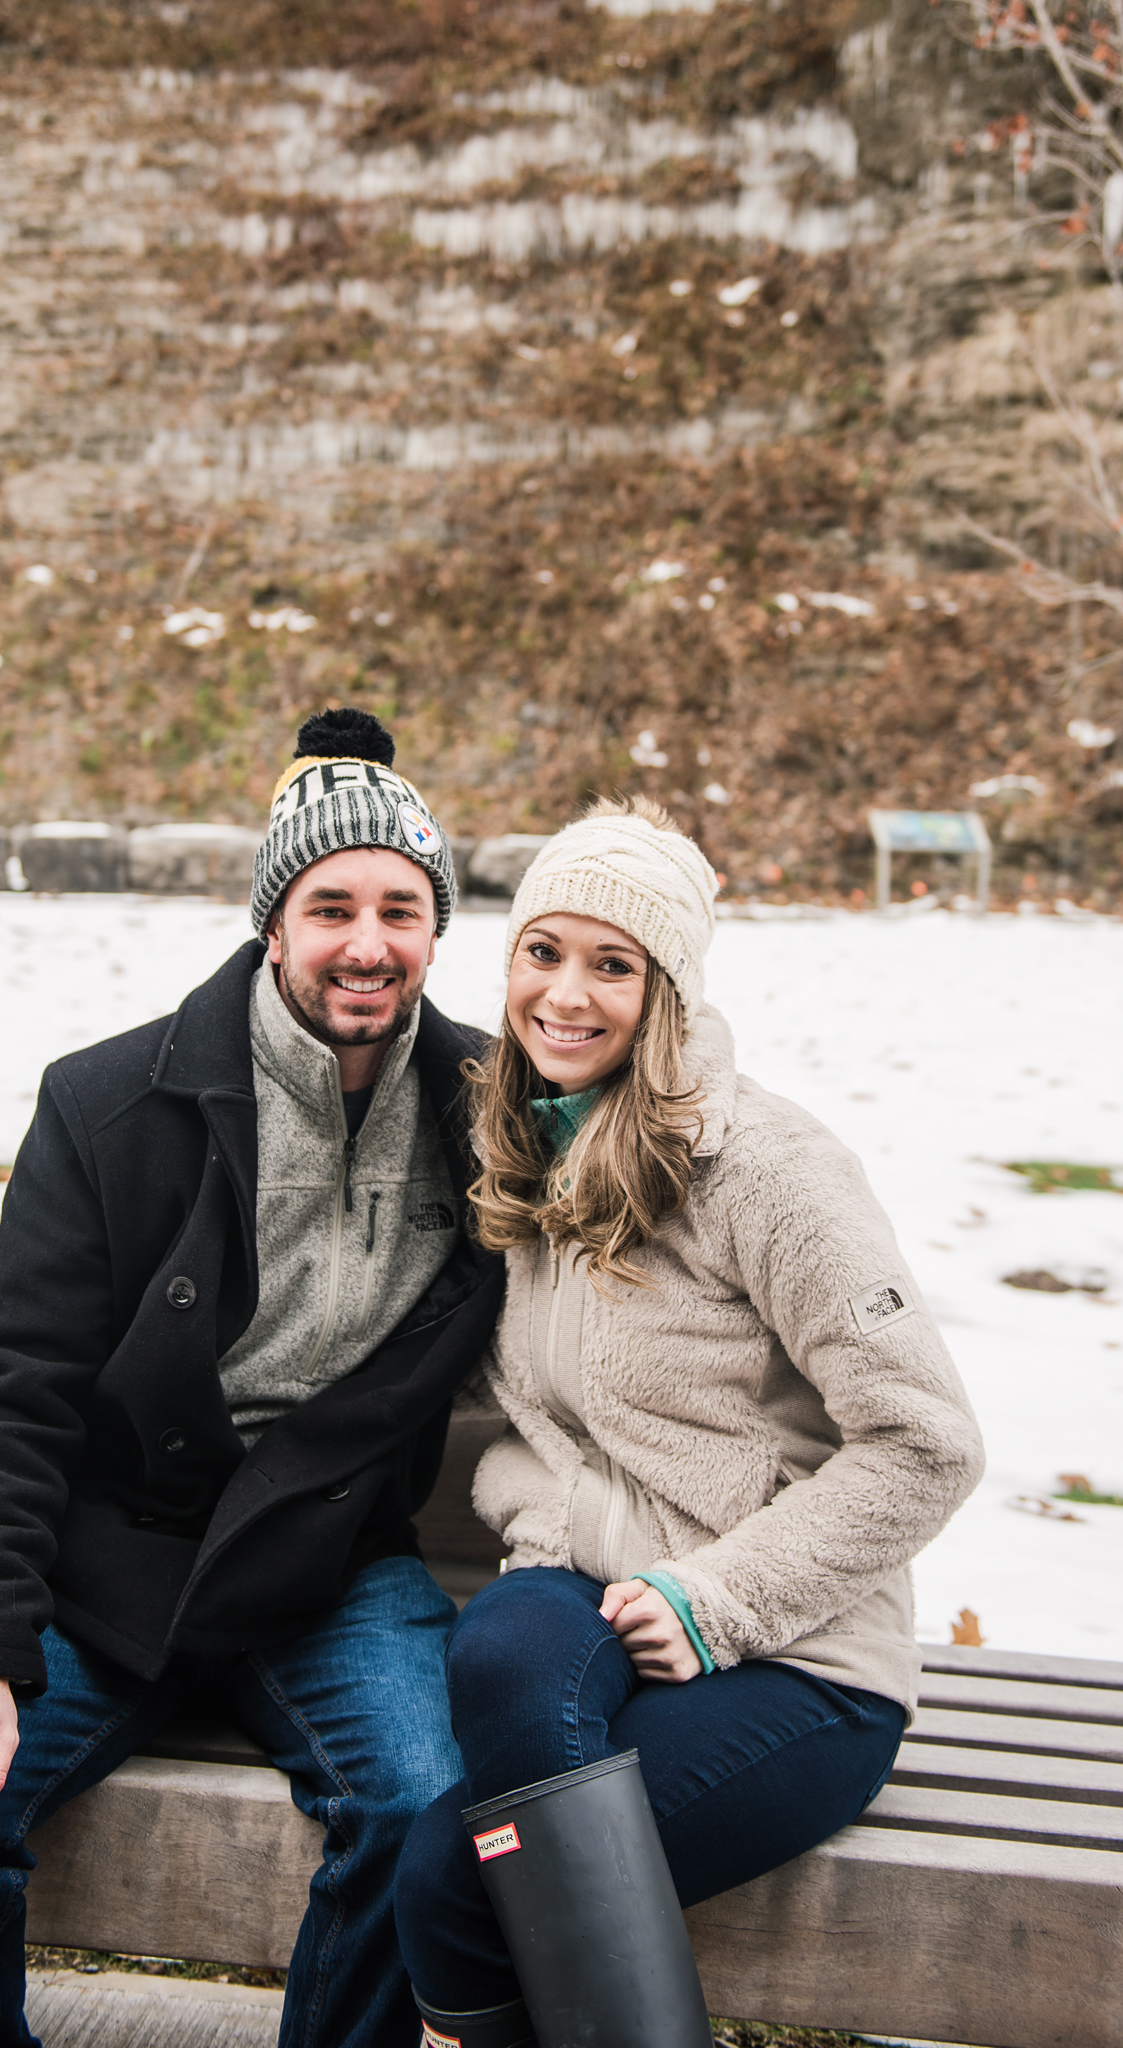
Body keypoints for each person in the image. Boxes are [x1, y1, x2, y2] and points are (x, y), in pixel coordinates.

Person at [0, 707, 504, 2048]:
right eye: (331, 906)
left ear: (437, 927)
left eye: (401, 906)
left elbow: (658, 1134)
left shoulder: (493, 1121)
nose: (367, 943)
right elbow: (11, 1394)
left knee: (430, 1815)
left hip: (329, 1571)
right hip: (105, 1567)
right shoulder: (110, 1105)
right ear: (273, 922)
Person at [394, 795, 985, 2048]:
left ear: (665, 992)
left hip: (795, 1649)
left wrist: (715, 1603)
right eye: (541, 951)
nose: (566, 994)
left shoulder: (766, 1169)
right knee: (497, 1652)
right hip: (581, 1577)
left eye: (613, 964)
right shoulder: (521, 1136)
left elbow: (925, 1439)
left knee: (454, 1875)